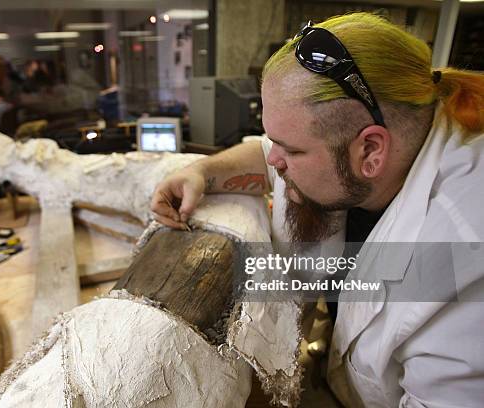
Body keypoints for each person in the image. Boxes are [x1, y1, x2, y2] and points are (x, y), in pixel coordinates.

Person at [151, 13, 484, 408]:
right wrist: (201, 171)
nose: (274, 159)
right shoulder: (374, 149)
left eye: (290, 150)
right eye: (277, 141)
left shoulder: (462, 260)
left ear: (371, 151)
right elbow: (263, 151)